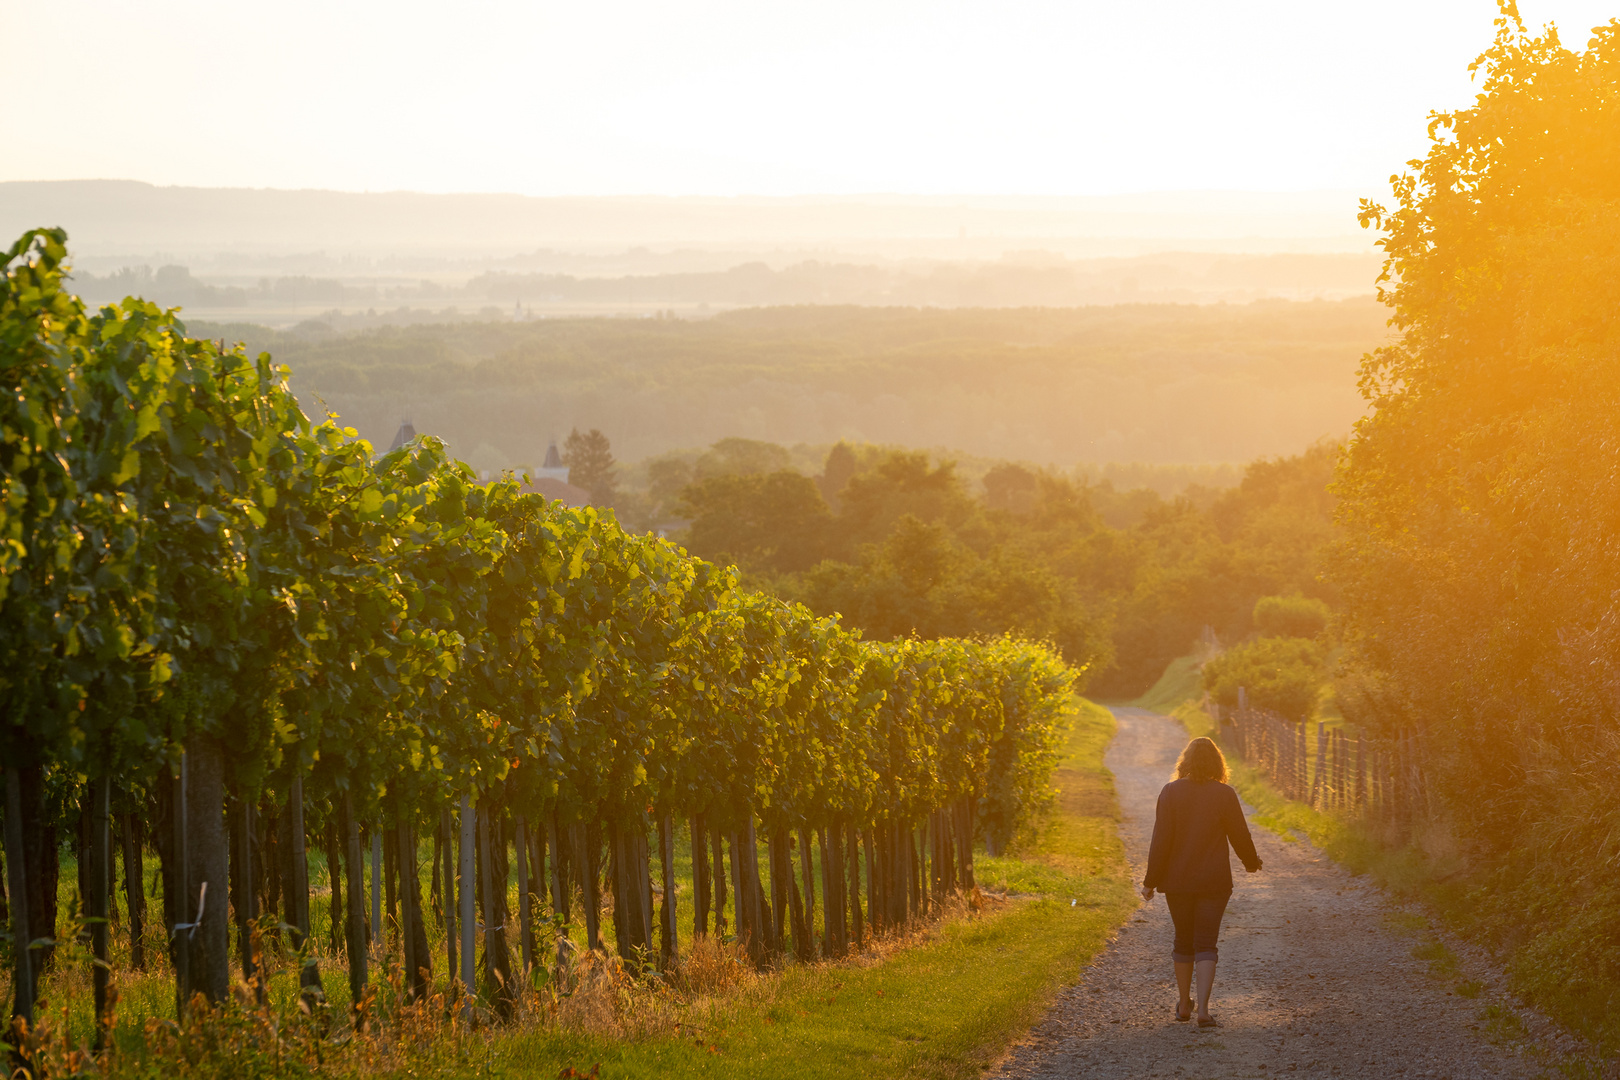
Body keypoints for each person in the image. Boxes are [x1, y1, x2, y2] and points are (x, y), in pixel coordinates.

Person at [1140, 736, 1262, 1028]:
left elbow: (1161, 841)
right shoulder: (1225, 793)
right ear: (1218, 764)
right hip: (1214, 882)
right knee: (1206, 943)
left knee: (1184, 940)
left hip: (1178, 882)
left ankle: (1184, 1005)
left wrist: (1150, 882)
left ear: (1185, 762)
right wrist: (1251, 862)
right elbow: (1239, 834)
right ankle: (1204, 1011)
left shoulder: (1170, 792)